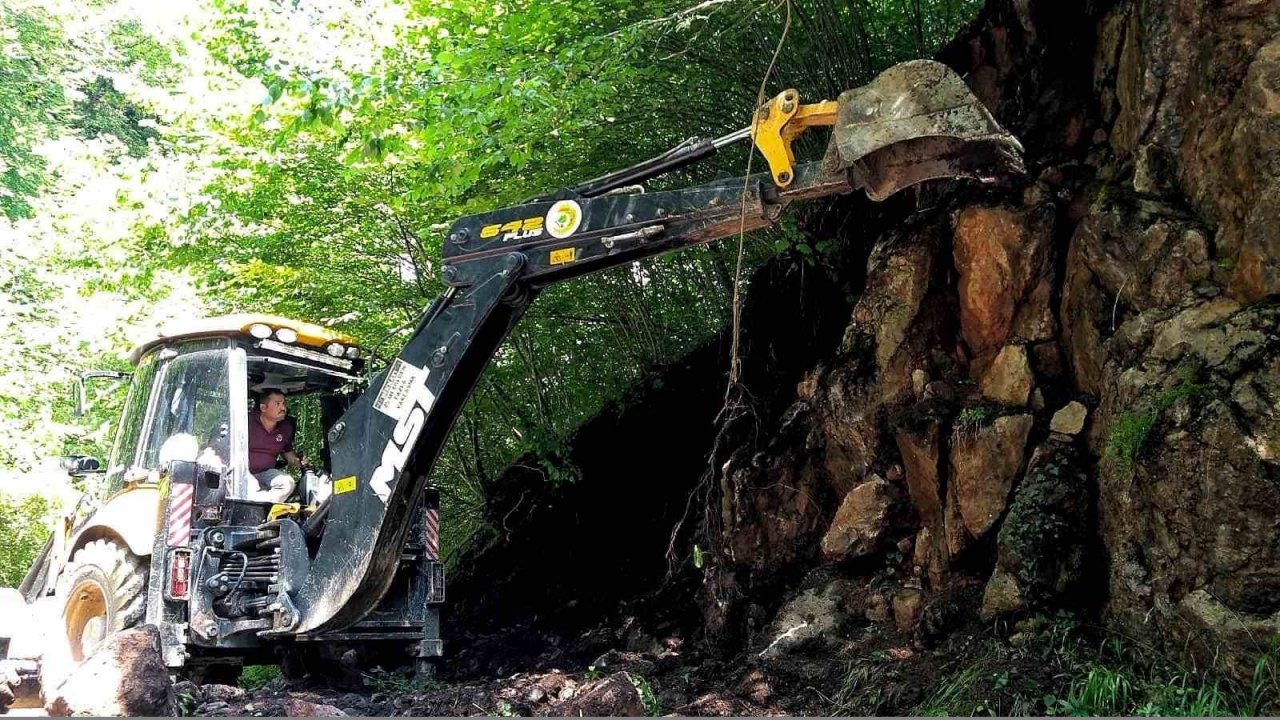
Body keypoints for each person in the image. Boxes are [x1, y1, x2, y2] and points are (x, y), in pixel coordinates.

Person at [247, 388, 307, 503]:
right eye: (277, 404)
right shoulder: (246, 421)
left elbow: (287, 453)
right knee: (252, 486)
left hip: (266, 473)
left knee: (287, 483)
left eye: (283, 403)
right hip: (243, 472)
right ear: (263, 408)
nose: (283, 408)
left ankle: (264, 506)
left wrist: (298, 462)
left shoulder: (286, 428)